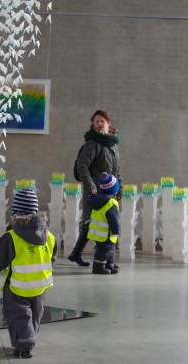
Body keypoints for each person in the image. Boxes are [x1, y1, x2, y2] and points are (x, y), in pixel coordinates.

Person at [0, 189, 56, 359]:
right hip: (42, 286)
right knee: (34, 316)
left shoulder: (11, 237)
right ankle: (28, 338)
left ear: (15, 213)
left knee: (18, 315)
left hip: (18, 287)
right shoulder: (49, 236)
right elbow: (51, 258)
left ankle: (25, 344)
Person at [68, 109, 122, 267]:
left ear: (108, 124)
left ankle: (80, 255)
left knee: (100, 224)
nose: (99, 124)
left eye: (102, 121)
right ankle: (101, 260)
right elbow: (82, 166)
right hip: (95, 193)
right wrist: (91, 186)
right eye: (96, 121)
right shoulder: (92, 144)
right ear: (93, 124)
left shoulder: (113, 145)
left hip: (109, 193)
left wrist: (121, 188)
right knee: (95, 224)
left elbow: (117, 170)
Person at [88, 173, 121, 275]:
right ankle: (98, 267)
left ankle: (109, 265)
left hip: (98, 233)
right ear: (115, 190)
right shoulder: (111, 204)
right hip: (107, 233)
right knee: (104, 251)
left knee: (109, 249)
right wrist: (116, 231)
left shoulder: (97, 200)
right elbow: (113, 219)